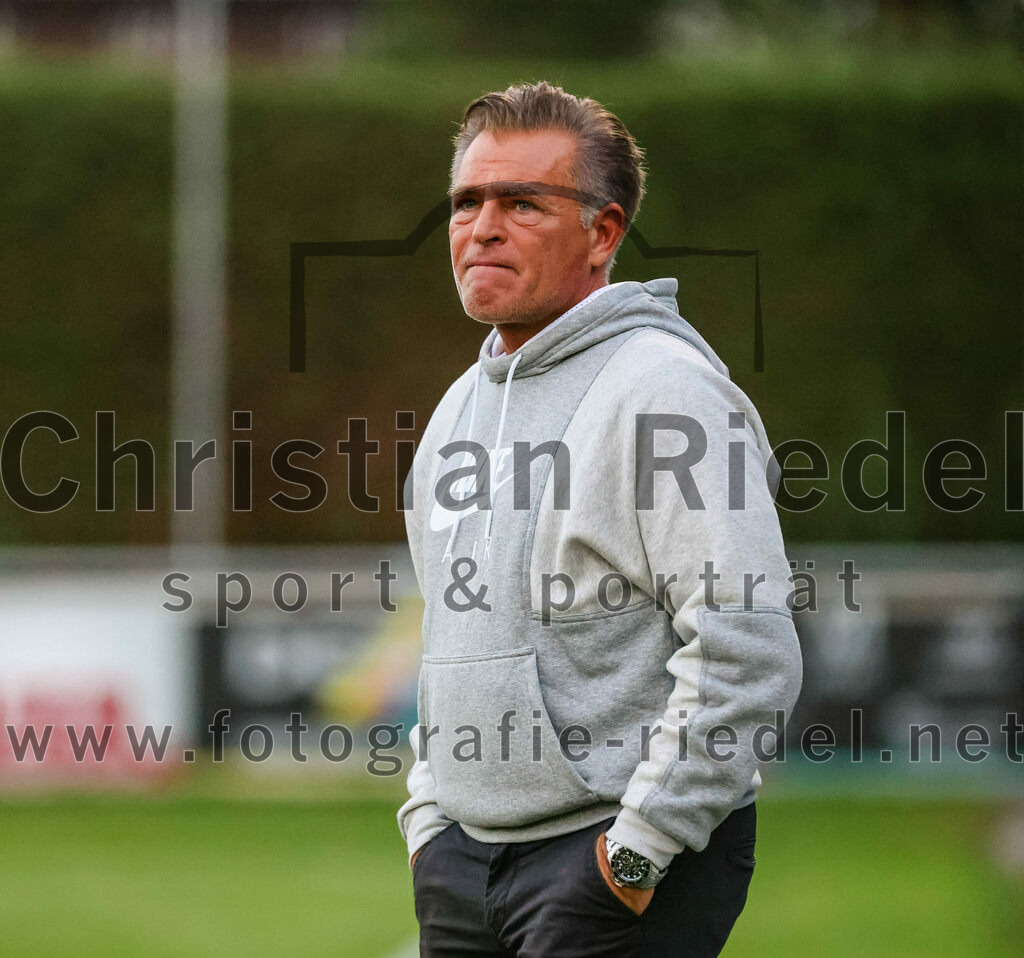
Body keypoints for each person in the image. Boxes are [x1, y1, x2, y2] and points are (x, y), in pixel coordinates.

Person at [398, 81, 802, 958]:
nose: (483, 226)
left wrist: (637, 852)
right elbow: (451, 633)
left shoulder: (666, 391)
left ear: (604, 232)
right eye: (468, 201)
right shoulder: (456, 411)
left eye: (523, 202)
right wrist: (431, 822)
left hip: (615, 863)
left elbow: (747, 644)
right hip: (464, 866)